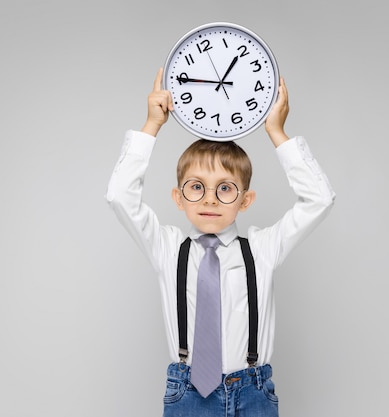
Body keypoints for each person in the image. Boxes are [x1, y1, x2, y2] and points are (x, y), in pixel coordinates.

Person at [106, 68, 335, 416]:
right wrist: (151, 125)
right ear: (178, 197)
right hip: (188, 395)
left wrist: (277, 132)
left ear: (245, 200)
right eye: (196, 186)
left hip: (253, 393)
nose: (210, 199)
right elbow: (120, 197)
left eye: (225, 188)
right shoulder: (168, 248)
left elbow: (319, 199)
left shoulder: (261, 249)